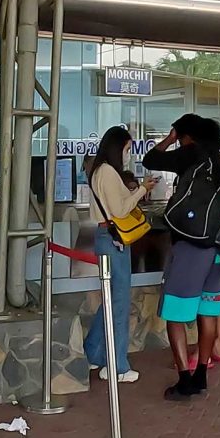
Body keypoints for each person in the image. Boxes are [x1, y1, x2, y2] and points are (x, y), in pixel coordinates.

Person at [143, 114, 220, 401]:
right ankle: (201, 377)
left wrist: (170, 139)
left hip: (189, 248)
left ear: (186, 135)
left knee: (175, 314)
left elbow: (150, 159)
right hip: (217, 250)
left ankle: (185, 379)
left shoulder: (190, 154)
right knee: (207, 312)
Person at [84, 125, 155, 383]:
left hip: (105, 238)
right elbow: (121, 209)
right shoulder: (107, 173)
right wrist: (142, 190)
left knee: (110, 301)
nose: (128, 154)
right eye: (126, 148)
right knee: (120, 303)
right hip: (114, 241)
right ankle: (117, 366)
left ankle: (93, 352)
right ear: (118, 147)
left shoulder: (99, 171)